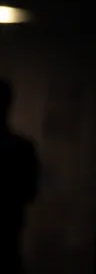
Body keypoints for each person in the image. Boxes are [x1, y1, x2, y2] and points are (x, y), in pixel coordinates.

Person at [0, 80, 37, 274]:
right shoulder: (23, 148)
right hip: (9, 241)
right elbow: (30, 193)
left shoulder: (23, 148)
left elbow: (30, 192)